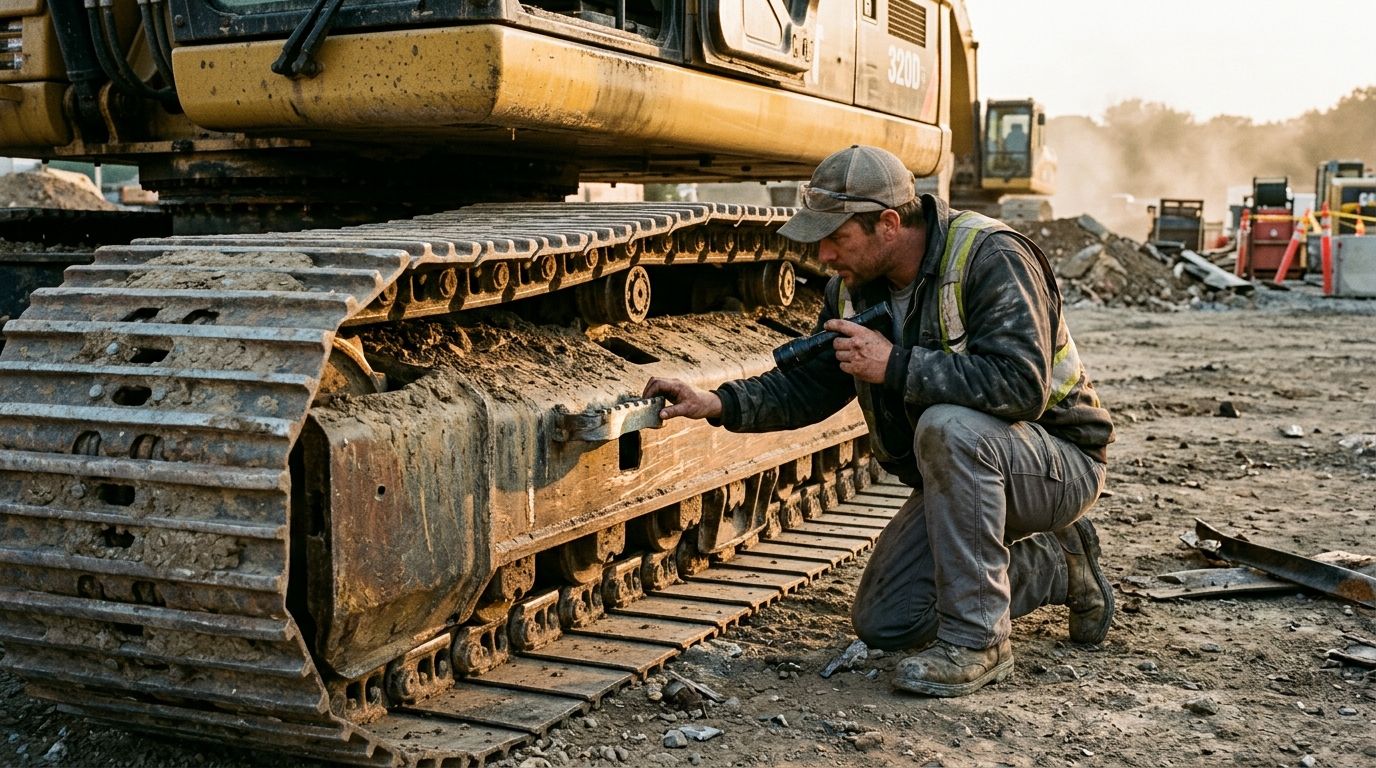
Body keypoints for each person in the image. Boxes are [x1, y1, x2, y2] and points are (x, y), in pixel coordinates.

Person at [643, 145, 1116, 697]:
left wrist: (894, 364)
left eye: (836, 236)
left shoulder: (990, 257)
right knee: (888, 622)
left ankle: (978, 641)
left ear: (888, 224)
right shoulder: (851, 288)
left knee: (947, 426)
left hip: (1058, 462)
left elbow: (1020, 386)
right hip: (972, 470)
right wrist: (717, 402)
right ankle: (1058, 563)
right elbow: (811, 384)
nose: (822, 253)